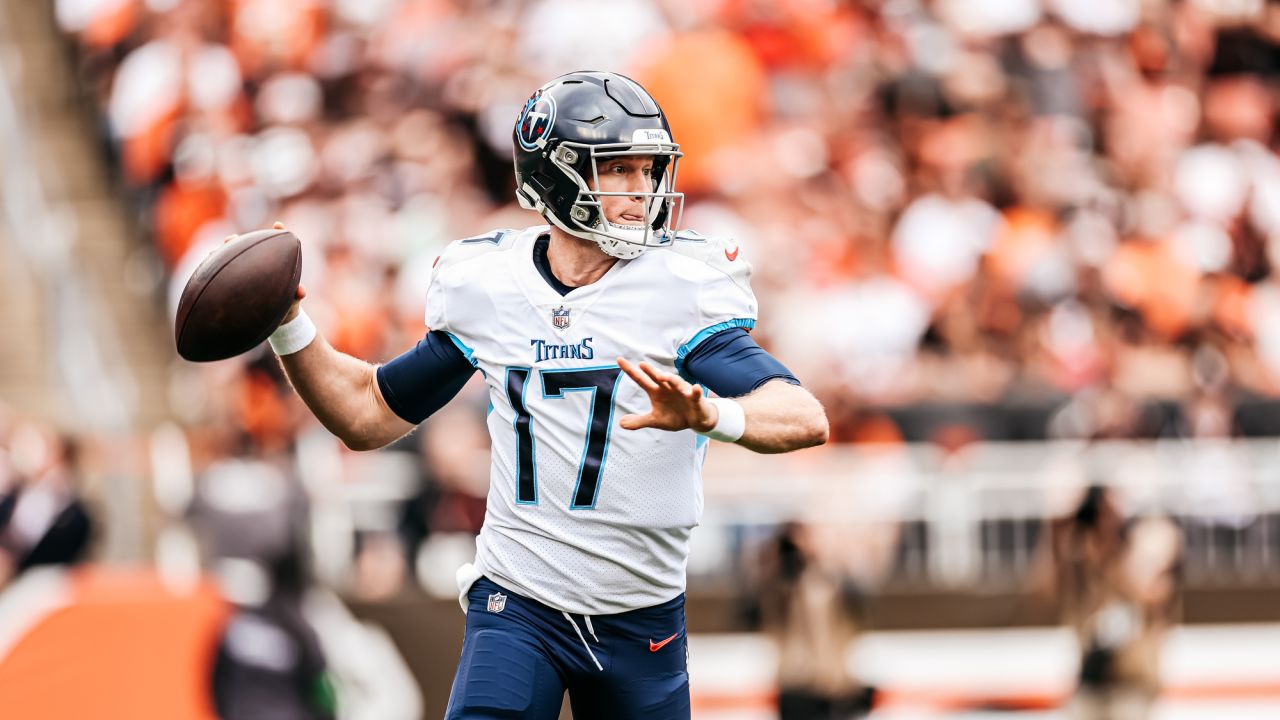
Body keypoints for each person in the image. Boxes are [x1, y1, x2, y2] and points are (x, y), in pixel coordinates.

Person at [261, 70, 828, 719]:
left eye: (650, 170)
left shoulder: (679, 287)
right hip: (518, 606)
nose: (642, 192)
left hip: (642, 617)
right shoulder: (489, 285)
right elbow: (367, 415)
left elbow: (802, 415)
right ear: (555, 176)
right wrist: (288, 326)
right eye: (618, 170)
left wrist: (712, 413)